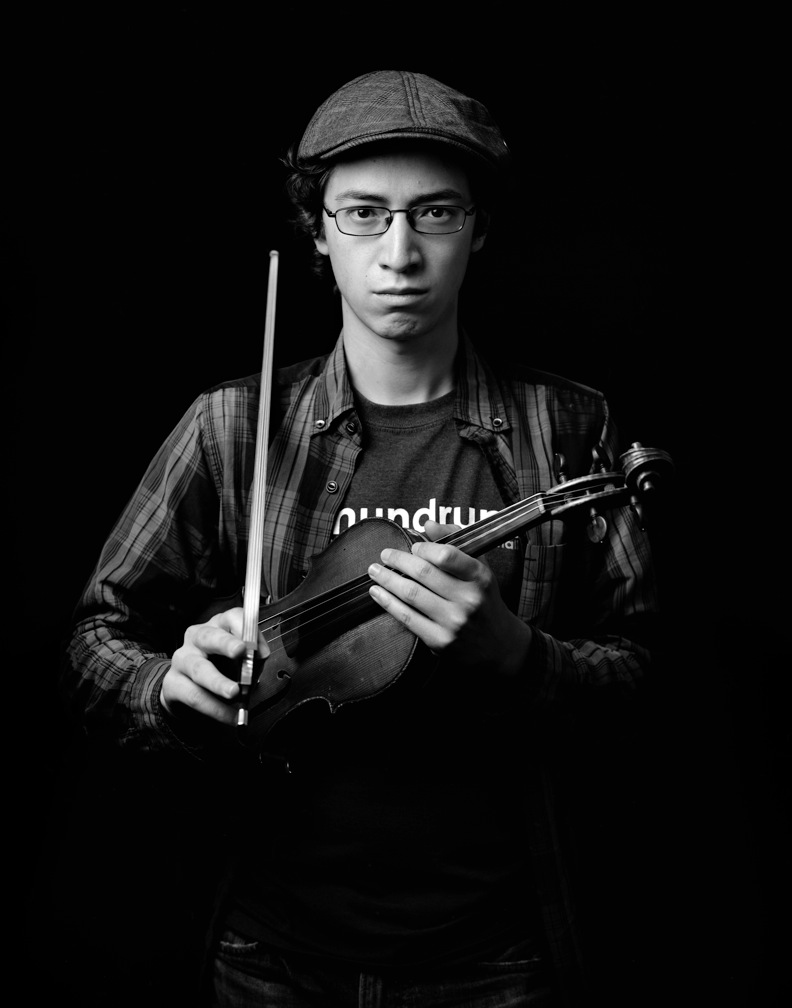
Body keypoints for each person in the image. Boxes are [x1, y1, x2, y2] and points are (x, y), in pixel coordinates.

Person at [61, 70, 661, 1007]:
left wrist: (518, 654)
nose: (400, 255)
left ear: (482, 229)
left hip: (496, 955)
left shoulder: (569, 428)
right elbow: (98, 637)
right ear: (316, 234)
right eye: (362, 215)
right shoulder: (232, 424)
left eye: (436, 214)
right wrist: (167, 686)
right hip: (269, 950)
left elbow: (651, 681)